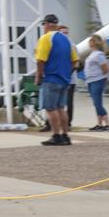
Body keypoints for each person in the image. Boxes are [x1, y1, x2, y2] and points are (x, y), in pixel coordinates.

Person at [34, 14, 78, 146]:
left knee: (50, 108)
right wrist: (66, 74)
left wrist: (38, 76)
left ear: (47, 24)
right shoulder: (67, 39)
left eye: (44, 24)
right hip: (65, 80)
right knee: (61, 108)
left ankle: (56, 135)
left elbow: (40, 60)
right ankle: (65, 135)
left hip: (51, 78)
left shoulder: (46, 38)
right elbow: (75, 61)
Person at [84, 34, 109, 132]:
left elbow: (106, 69)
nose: (89, 42)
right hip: (91, 81)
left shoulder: (99, 55)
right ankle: (99, 124)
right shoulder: (93, 54)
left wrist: (99, 76)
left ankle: (108, 124)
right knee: (96, 103)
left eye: (90, 40)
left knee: (98, 103)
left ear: (94, 42)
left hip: (97, 80)